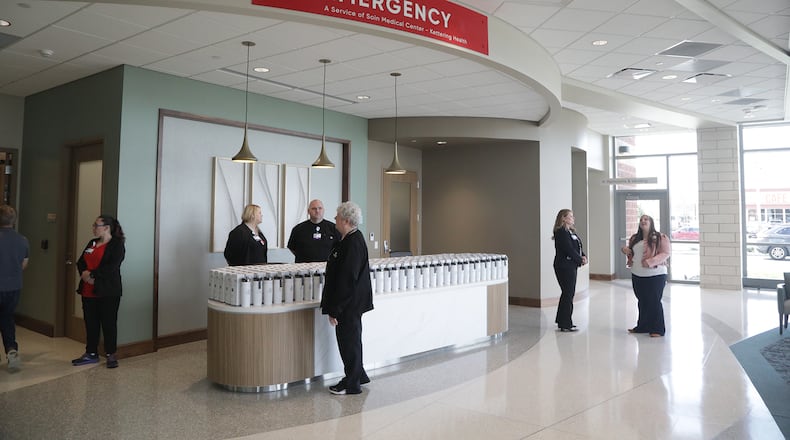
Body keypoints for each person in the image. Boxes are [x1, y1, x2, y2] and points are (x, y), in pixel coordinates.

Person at [320, 201, 373, 395]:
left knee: (348, 342)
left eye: (337, 216)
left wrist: (336, 309)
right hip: (351, 303)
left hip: (349, 304)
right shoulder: (349, 239)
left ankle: (352, 383)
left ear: (346, 220)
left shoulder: (352, 243)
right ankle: (359, 375)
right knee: (352, 340)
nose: (334, 219)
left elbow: (346, 279)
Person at [72, 214, 125, 368]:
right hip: (88, 290)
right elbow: (81, 261)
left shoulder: (117, 244)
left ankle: (111, 354)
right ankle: (91, 353)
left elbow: (112, 266)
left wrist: (93, 275)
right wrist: (84, 274)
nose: (93, 228)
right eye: (94, 225)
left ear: (106, 228)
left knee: (108, 323)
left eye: (96, 225)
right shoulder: (92, 243)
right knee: (91, 323)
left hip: (108, 291)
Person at [621, 214, 671, 337]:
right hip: (637, 274)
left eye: (646, 219)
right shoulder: (634, 239)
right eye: (641, 220)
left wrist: (650, 262)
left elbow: (665, 253)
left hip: (656, 274)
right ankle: (643, 326)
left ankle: (658, 329)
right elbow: (632, 253)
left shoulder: (660, 237)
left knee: (654, 301)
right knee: (642, 301)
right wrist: (626, 250)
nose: (643, 221)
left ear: (651, 222)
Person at [0, 205, 29, 371]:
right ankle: (11, 350)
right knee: (7, 318)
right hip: (14, 287)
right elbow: (23, 264)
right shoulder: (23, 240)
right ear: (14, 221)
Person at [552, 209, 587, 332]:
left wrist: (583, 256)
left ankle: (562, 321)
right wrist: (579, 260)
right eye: (570, 216)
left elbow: (577, 247)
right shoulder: (561, 232)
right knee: (568, 293)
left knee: (567, 293)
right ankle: (566, 323)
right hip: (564, 266)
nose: (573, 218)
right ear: (563, 218)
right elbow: (568, 249)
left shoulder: (571, 232)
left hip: (571, 265)